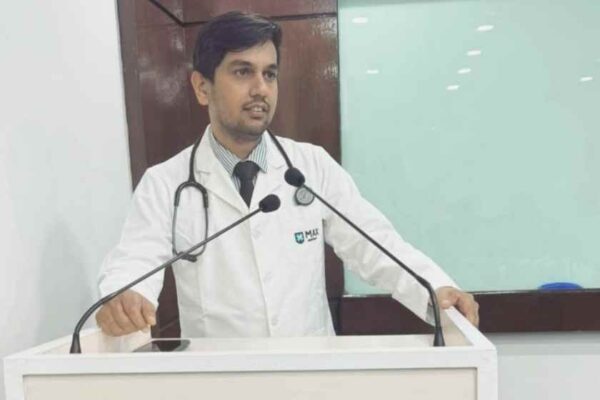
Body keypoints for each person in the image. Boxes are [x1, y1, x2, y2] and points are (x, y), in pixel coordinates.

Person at [96, 11, 479, 337]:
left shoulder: (311, 167)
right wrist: (121, 297)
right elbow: (135, 261)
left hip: (309, 374)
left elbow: (374, 243)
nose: (260, 89)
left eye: (270, 74)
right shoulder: (165, 183)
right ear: (202, 87)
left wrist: (434, 288)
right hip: (220, 380)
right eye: (243, 72)